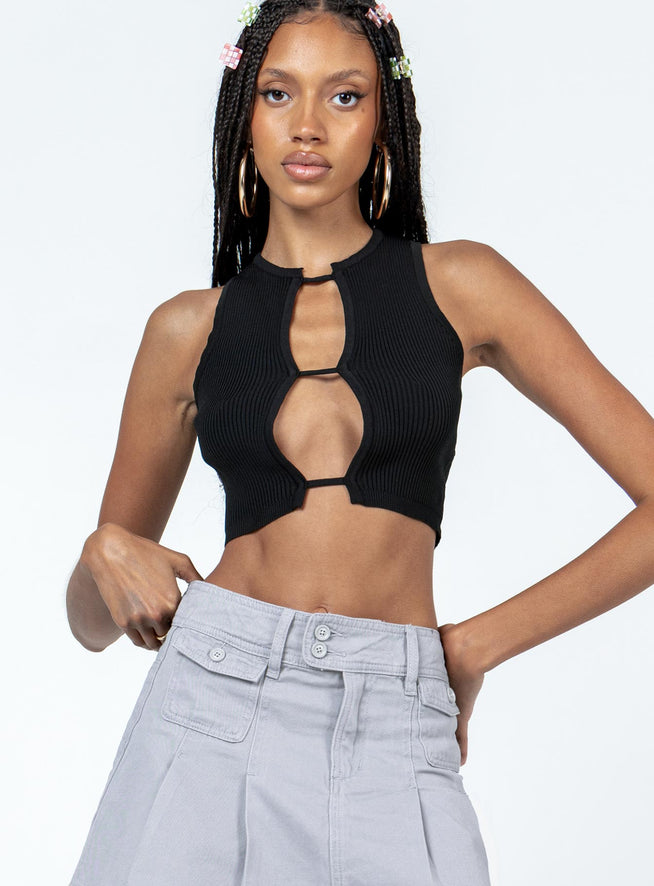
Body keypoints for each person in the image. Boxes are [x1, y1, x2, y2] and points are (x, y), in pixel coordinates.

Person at [67, 2, 654, 885]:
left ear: (385, 121)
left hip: (395, 723)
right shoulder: (185, 331)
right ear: (244, 115)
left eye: (344, 96)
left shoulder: (463, 285)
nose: (307, 124)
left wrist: (474, 645)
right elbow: (91, 622)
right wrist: (104, 550)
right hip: (208, 705)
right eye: (278, 93)